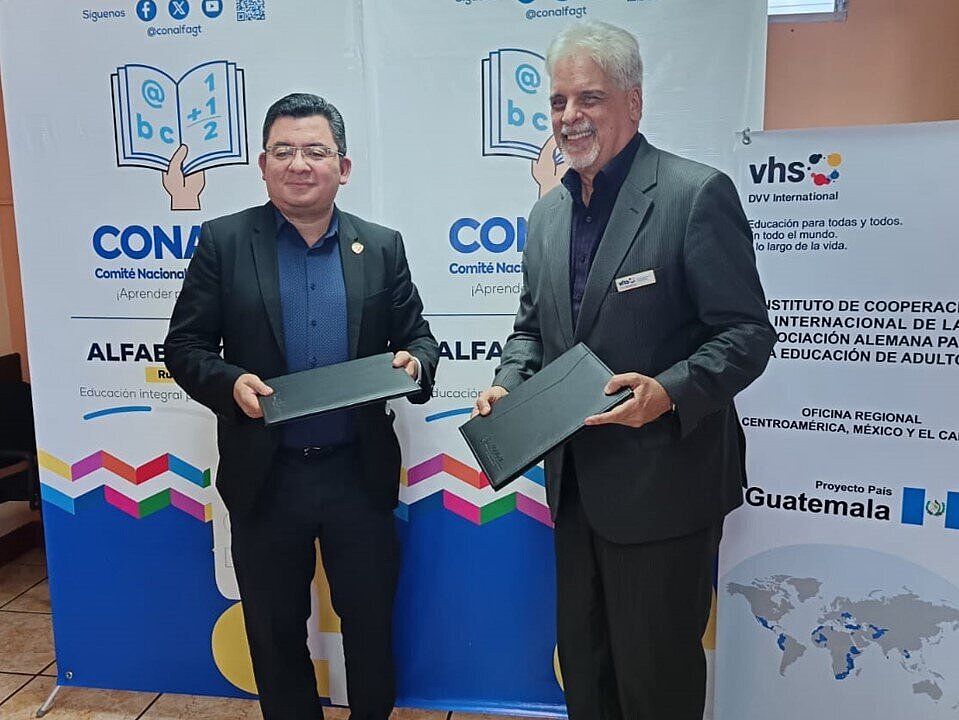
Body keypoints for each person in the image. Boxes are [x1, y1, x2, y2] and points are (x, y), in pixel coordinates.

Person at [474, 20, 776, 720]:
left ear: (632, 102)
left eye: (590, 98)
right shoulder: (546, 216)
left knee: (654, 686)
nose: (569, 117)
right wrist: (508, 382)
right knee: (587, 677)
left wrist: (666, 392)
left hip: (664, 489)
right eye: (558, 101)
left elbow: (747, 333)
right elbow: (531, 330)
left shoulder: (694, 194)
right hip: (574, 487)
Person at [164, 93, 439, 720]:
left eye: (316, 150)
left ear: (343, 166)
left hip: (357, 475)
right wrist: (229, 382)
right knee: (273, 630)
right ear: (263, 164)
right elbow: (184, 346)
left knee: (369, 625)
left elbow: (419, 340)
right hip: (267, 476)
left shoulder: (382, 246)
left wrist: (415, 364)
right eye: (283, 151)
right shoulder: (224, 242)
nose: (299, 163)